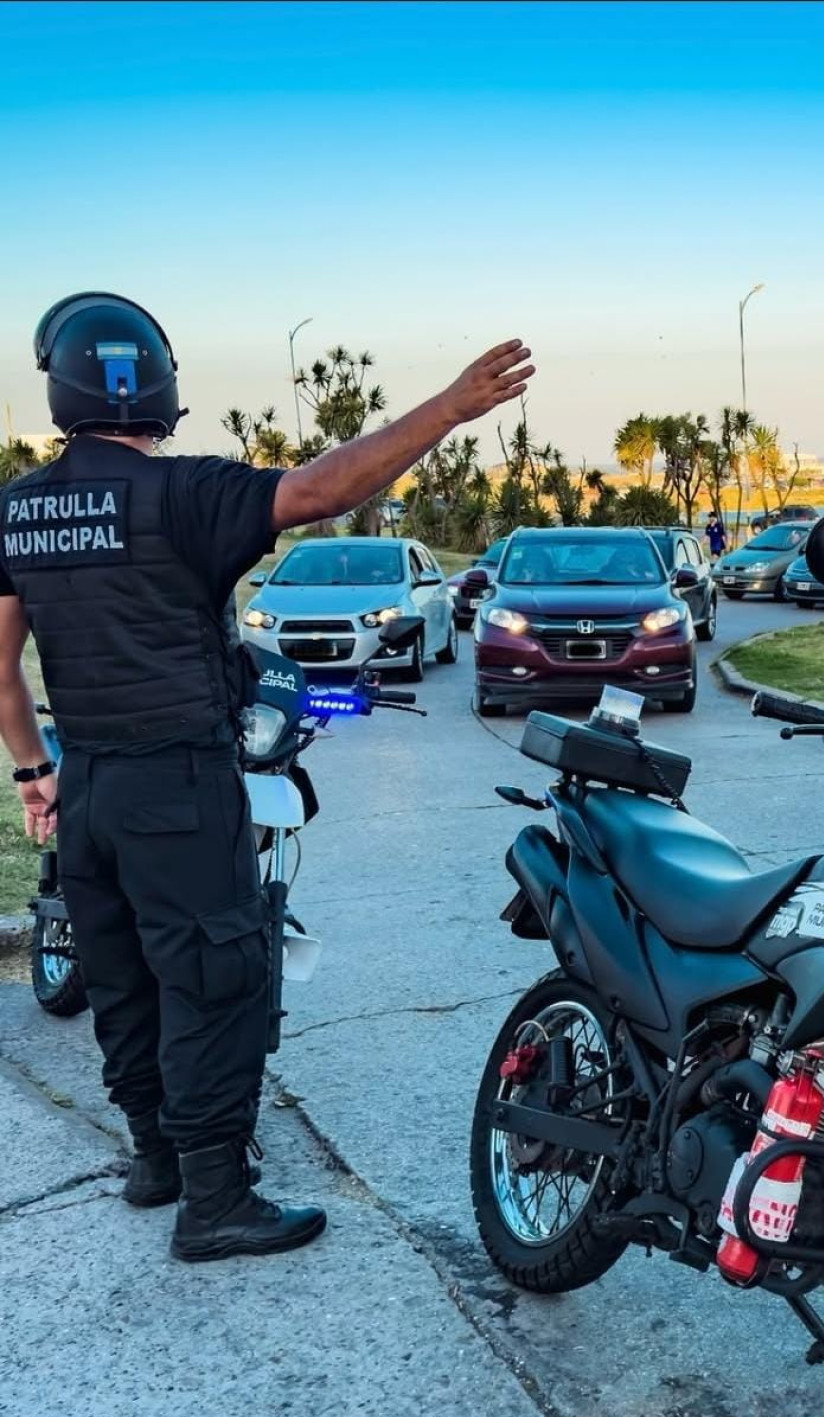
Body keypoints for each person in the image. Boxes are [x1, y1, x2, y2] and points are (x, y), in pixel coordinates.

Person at [0, 291, 533, 1263]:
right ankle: (214, 1201)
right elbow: (321, 489)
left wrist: (36, 773)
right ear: (154, 388)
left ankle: (153, 1159)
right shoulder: (181, 495)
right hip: (179, 784)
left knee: (119, 976)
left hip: (88, 789)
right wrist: (449, 408)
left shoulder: (21, 511)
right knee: (216, 978)